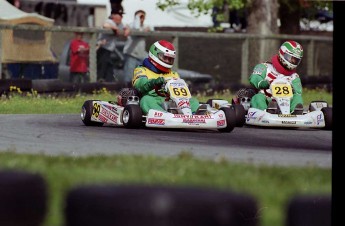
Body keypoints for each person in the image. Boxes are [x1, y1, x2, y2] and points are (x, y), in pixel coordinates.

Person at [131, 40, 202, 115]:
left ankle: (192, 116)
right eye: (165, 57)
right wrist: (154, 82)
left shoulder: (173, 74)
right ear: (154, 54)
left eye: (170, 59)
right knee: (145, 100)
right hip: (154, 99)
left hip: (172, 101)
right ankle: (164, 115)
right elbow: (139, 84)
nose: (167, 61)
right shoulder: (142, 70)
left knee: (194, 101)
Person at [248, 40, 304, 115]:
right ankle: (265, 112)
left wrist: (292, 88)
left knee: (297, 97)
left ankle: (295, 112)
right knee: (257, 97)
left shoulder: (294, 76)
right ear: (282, 53)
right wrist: (264, 83)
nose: (293, 62)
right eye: (291, 58)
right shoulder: (265, 67)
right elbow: (254, 78)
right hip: (267, 99)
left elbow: (298, 92)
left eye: (296, 60)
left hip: (287, 102)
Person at [96, 7, 130, 82]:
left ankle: (108, 84)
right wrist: (114, 28)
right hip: (102, 48)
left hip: (109, 50)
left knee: (109, 68)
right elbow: (105, 25)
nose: (121, 17)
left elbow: (125, 27)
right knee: (102, 68)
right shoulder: (110, 21)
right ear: (113, 15)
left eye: (122, 15)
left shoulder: (119, 24)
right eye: (119, 15)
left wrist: (126, 29)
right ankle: (98, 84)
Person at [123, 9, 152, 87]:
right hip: (131, 54)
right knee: (129, 76)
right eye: (139, 17)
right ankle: (127, 91)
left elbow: (151, 30)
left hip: (141, 54)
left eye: (142, 17)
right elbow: (133, 29)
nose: (141, 18)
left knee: (142, 74)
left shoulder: (146, 26)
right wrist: (137, 20)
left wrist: (145, 30)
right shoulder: (130, 25)